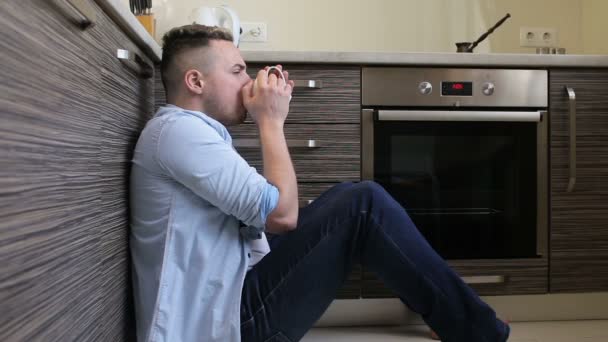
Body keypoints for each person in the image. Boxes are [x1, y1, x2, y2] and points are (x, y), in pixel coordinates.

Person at [129, 24, 510, 342]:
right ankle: (474, 330)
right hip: (230, 325)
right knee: (363, 204)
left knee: (349, 196)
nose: (249, 82)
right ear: (195, 81)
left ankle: (445, 310)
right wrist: (271, 121)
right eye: (237, 71)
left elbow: (265, 215)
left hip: (230, 295)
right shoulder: (179, 132)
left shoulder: (189, 133)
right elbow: (282, 215)